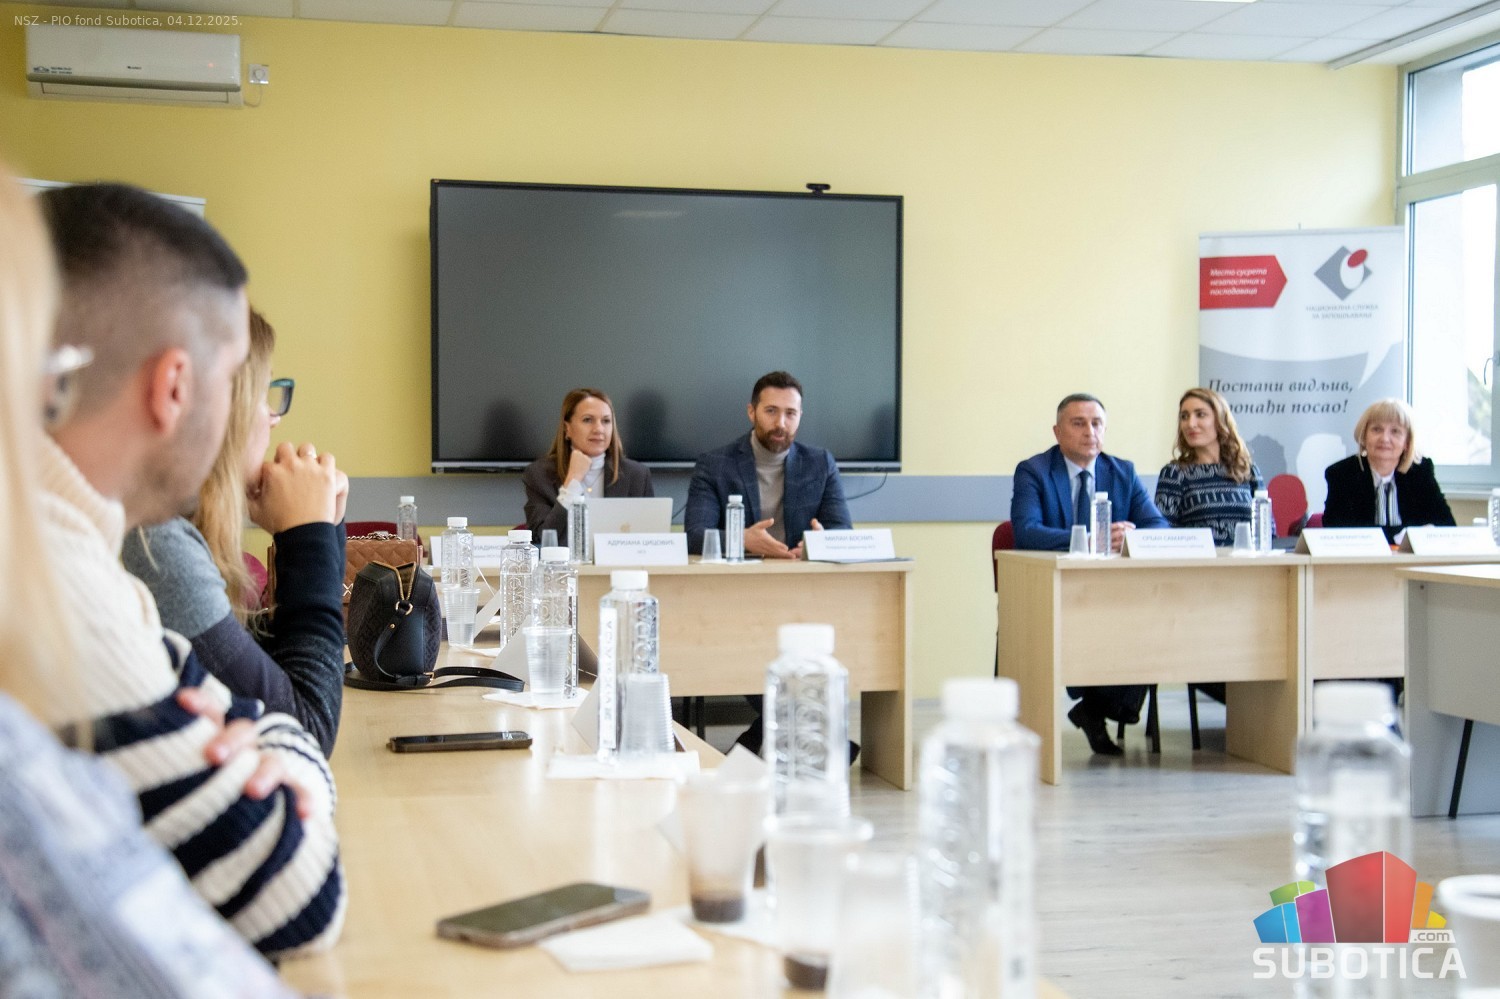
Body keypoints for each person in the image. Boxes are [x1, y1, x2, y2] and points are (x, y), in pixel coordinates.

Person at [0, 167, 299, 994]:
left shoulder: (89, 554)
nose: (254, 413)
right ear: (173, 386)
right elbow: (294, 887)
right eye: (236, 381)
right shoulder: (68, 583)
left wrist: (250, 734)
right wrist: (274, 744)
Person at [122, 309, 349, 757]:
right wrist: (308, 536)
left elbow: (265, 670)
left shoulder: (164, 529)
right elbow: (304, 729)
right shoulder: (155, 544)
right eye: (263, 395)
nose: (274, 418)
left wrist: (323, 529)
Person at [1010, 392, 1169, 756]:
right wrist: (1091, 539)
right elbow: (1026, 532)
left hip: (1114, 594)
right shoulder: (1034, 471)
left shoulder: (1122, 471)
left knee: (1151, 619)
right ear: (1057, 432)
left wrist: (1132, 534)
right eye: (1078, 423)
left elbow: (1158, 526)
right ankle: (1098, 707)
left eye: (1097, 424)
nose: (1089, 432)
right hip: (1054, 591)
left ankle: (1095, 708)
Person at [684, 370, 851, 557]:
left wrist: (823, 543)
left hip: (799, 571)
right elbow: (694, 536)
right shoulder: (714, 465)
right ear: (752, 412)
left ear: (800, 416)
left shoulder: (821, 463)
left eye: (790, 413)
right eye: (771, 411)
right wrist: (742, 540)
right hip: (741, 573)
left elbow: (843, 532)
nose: (781, 423)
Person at [522, 387, 654, 542]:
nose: (599, 429)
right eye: (588, 420)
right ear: (567, 428)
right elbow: (541, 539)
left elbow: (649, 542)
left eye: (606, 421)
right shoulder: (539, 475)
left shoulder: (638, 475)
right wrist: (572, 483)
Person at [1323, 398, 1455, 543]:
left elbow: (1446, 525)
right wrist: (1401, 536)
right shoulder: (1342, 473)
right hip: (1361, 556)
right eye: (1377, 429)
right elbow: (1335, 529)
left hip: (1409, 556)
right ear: (1364, 436)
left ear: (1407, 442)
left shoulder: (1420, 471)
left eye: (1395, 431)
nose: (1385, 439)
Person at [1155, 387, 1264, 547]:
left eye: (1200, 415)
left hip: (1246, 560)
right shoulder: (1174, 474)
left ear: (1220, 420)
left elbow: (1267, 531)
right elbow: (1162, 535)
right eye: (1184, 416)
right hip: (1197, 561)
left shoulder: (1248, 470)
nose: (1190, 424)